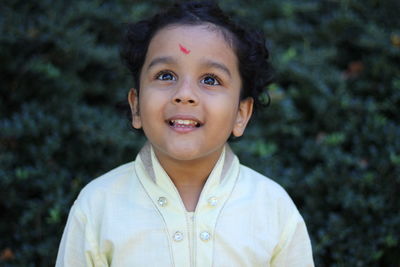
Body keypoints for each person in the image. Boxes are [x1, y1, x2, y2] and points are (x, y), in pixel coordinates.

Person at [56, 1, 314, 266]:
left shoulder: (273, 209)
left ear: (241, 114)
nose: (184, 94)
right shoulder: (98, 206)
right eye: (166, 75)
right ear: (136, 106)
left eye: (210, 80)